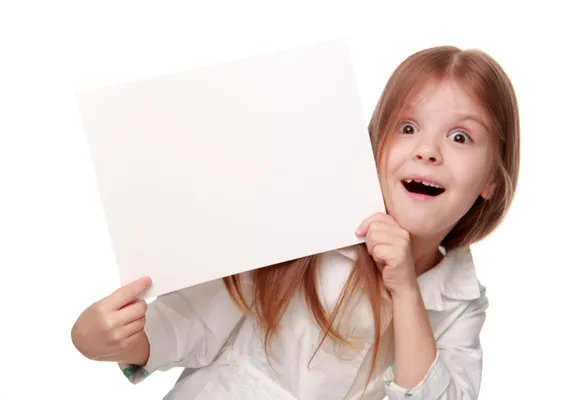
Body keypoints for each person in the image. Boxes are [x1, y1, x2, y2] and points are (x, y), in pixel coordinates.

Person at [71, 45, 520, 399]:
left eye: (460, 136)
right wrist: (111, 340)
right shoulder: (310, 222)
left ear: (491, 183)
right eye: (407, 128)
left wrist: (404, 287)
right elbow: (195, 323)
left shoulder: (462, 302)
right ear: (374, 146)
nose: (428, 149)